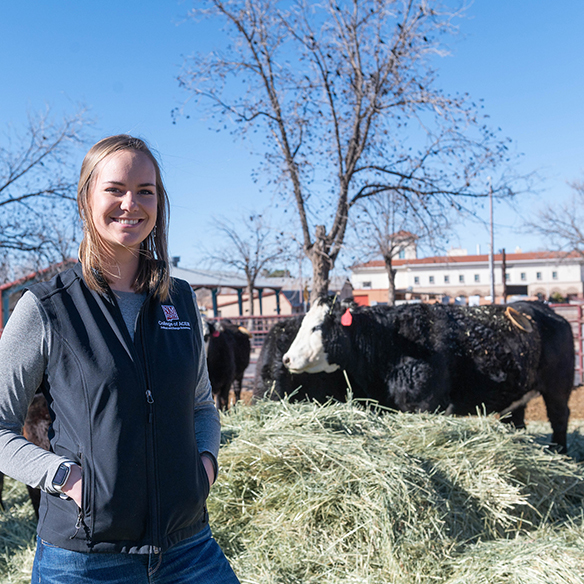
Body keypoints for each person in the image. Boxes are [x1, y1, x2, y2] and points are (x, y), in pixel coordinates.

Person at [0, 135, 240, 583]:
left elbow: (202, 405)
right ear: (86, 198)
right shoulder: (47, 306)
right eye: (115, 189)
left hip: (188, 547)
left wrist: (204, 467)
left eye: (145, 190)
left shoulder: (182, 301)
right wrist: (65, 479)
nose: (131, 203)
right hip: (85, 558)